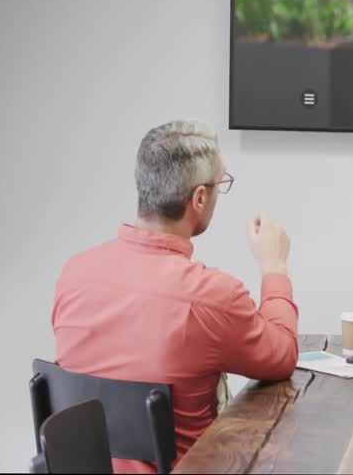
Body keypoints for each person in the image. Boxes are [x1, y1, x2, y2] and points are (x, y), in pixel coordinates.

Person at [51, 121, 298, 474]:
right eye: (219, 186)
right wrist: (274, 265)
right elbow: (283, 357)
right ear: (199, 198)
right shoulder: (212, 296)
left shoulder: (74, 275)